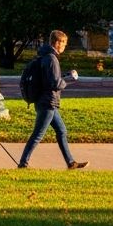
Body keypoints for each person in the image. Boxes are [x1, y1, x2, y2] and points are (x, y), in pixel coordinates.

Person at [18, 29, 88, 170]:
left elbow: (51, 78)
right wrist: (70, 79)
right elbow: (54, 84)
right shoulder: (51, 58)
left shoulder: (45, 56)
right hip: (47, 102)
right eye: (63, 43)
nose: (64, 46)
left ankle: (71, 163)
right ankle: (23, 164)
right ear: (57, 42)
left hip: (46, 102)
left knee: (62, 131)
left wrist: (65, 75)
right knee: (38, 134)